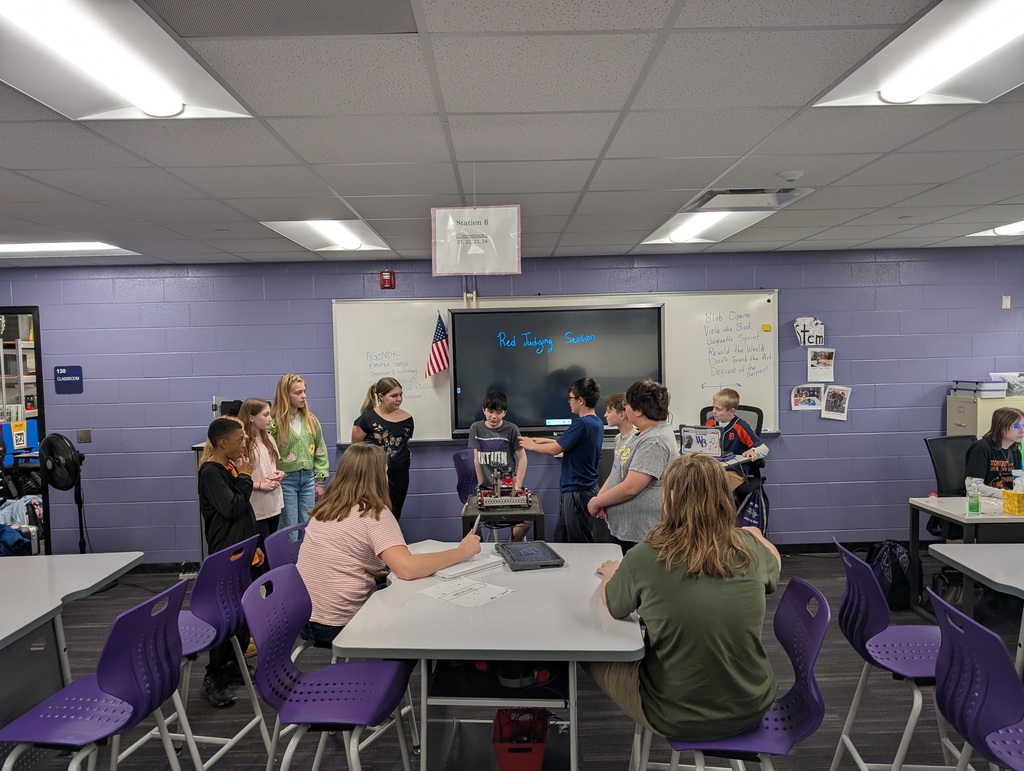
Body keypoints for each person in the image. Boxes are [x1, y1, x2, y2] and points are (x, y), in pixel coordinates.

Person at [585, 453, 781, 742]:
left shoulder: (645, 556)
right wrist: (751, 533)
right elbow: (774, 562)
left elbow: (614, 605)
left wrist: (613, 573)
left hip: (675, 715)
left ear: (669, 499)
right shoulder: (751, 549)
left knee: (586, 655)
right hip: (753, 705)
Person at [295, 443, 481, 646]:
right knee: (426, 617)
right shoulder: (373, 513)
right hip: (339, 625)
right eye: (385, 472)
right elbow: (407, 569)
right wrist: (462, 551)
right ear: (376, 477)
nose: (387, 477)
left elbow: (341, 560)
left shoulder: (326, 509)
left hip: (305, 618)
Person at [197, 417, 264, 708]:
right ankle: (214, 677)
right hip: (226, 555)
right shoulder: (211, 473)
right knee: (226, 616)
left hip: (243, 552)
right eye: (240, 439)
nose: (245, 442)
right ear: (223, 443)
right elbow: (233, 507)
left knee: (242, 612)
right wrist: (246, 476)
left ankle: (233, 665)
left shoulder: (229, 468)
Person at [589, 380, 679, 552]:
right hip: (627, 530)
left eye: (627, 404)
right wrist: (603, 499)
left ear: (638, 410)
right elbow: (618, 471)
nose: (625, 408)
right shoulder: (641, 434)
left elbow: (631, 487)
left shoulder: (654, 441)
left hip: (642, 535)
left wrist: (596, 502)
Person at [520, 377, 603, 543]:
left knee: (579, 542)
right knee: (562, 538)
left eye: (571, 398)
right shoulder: (595, 422)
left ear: (581, 400)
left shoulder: (582, 424)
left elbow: (555, 449)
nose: (569, 402)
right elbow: (563, 442)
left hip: (578, 491)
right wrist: (538, 440)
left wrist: (531, 446)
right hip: (577, 490)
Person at [271, 374, 330, 531]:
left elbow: (320, 451)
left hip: (308, 479)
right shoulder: (273, 423)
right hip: (285, 480)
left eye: (304, 391)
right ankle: (289, 556)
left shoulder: (310, 420)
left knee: (307, 524)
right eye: (297, 393)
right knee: (289, 525)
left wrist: (320, 482)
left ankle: (304, 555)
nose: (303, 396)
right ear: (285, 395)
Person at [468, 391, 529, 541]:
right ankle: (480, 548)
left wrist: (518, 485)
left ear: (505, 413)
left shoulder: (512, 429)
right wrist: (479, 485)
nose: (493, 416)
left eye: (498, 412)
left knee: (527, 519)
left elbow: (523, 458)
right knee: (467, 515)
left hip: (508, 488)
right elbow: (475, 459)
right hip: (485, 489)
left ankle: (510, 546)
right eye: (490, 411)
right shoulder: (476, 428)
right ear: (484, 410)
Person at [352, 377, 414, 520]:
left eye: (400, 394)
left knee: (395, 513)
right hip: (374, 475)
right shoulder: (365, 420)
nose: (399, 399)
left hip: (400, 475)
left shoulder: (407, 419)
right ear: (381, 396)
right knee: (375, 514)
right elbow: (355, 452)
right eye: (394, 396)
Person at [239, 398, 284, 545]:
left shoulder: (269, 438)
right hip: (256, 505)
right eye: (265, 415)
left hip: (273, 502)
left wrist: (280, 474)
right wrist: (259, 485)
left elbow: (273, 466)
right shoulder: (243, 444)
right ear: (251, 417)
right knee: (262, 549)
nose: (270, 418)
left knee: (272, 547)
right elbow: (238, 477)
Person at [965, 406, 1024, 497]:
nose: (1022, 431)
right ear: (1001, 427)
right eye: (1016, 426)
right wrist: (1006, 494)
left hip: (1006, 501)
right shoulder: (982, 448)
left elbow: (1018, 483)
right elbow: (973, 487)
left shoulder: (1015, 451)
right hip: (984, 502)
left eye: (1023, 426)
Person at [705, 388, 768, 461]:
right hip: (714, 465)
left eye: (718, 409)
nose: (713, 411)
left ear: (731, 411)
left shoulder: (740, 427)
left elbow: (764, 449)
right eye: (713, 407)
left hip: (733, 467)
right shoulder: (710, 422)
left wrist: (753, 451)